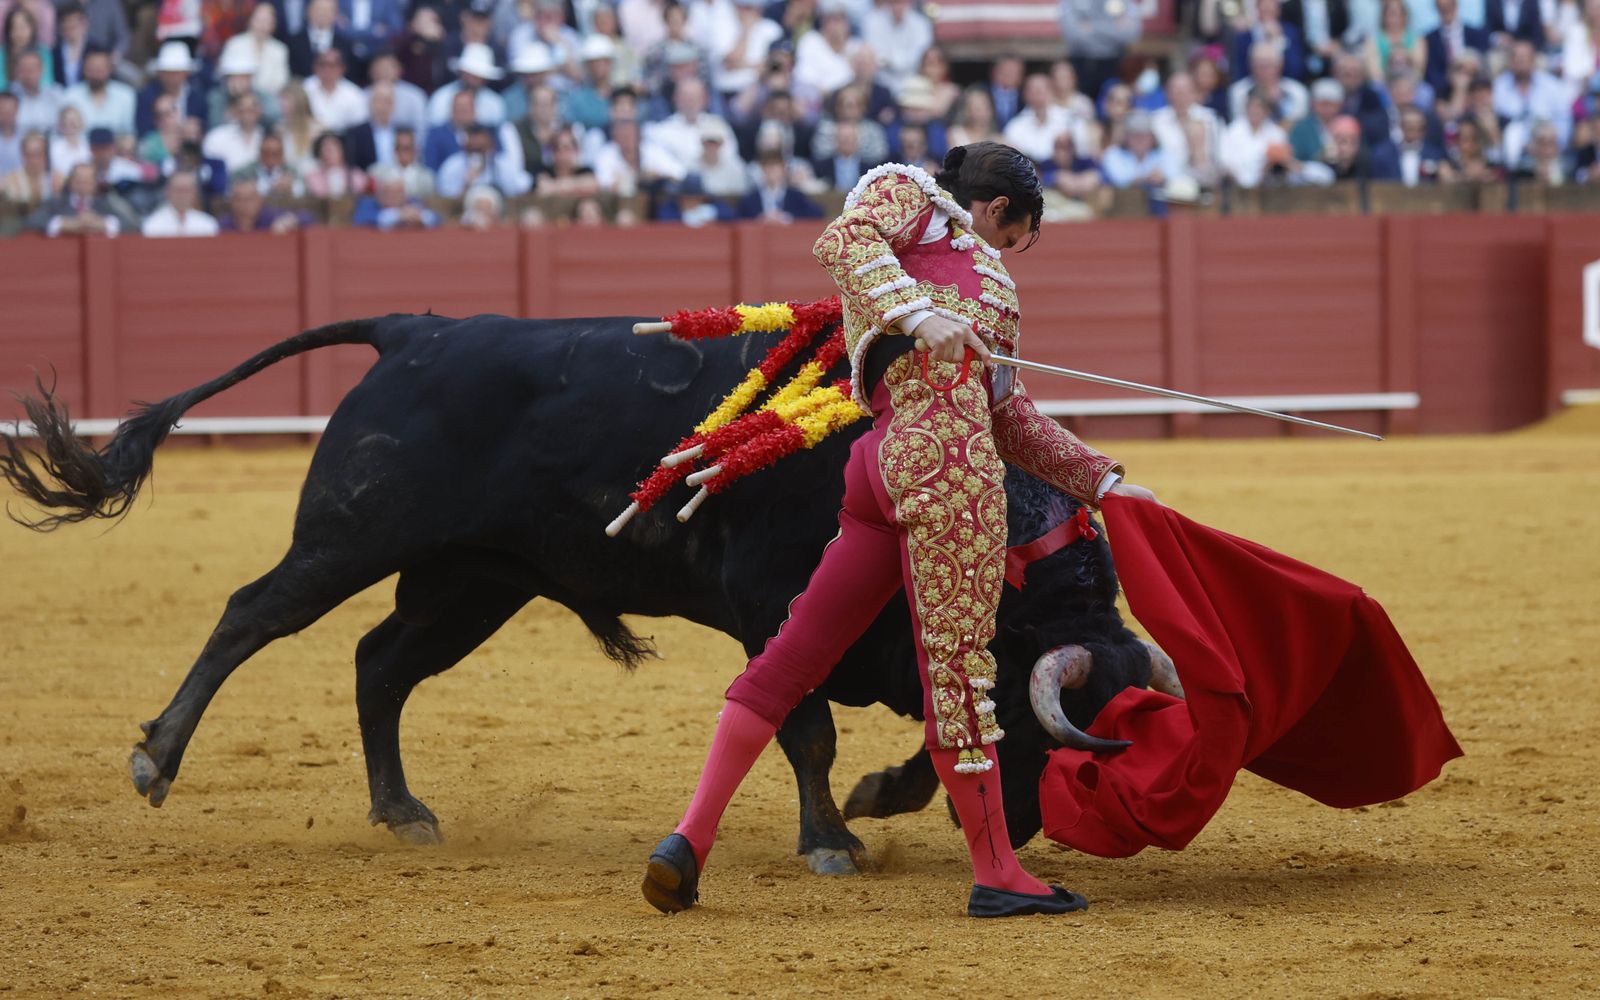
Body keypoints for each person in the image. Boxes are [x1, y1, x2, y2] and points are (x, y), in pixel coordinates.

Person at [642, 141, 1154, 919]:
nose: (1001, 252)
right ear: (995, 209)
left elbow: (1009, 416)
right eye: (1009, 236)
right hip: (944, 467)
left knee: (794, 657)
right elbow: (842, 240)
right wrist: (916, 313)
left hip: (890, 466)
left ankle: (688, 841)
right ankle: (997, 875)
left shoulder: (991, 292)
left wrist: (1102, 481)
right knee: (956, 675)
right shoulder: (910, 197)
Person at [140, 168, 219, 235]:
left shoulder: (208, 224)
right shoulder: (153, 224)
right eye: (178, 190)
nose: (182, 195)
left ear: (195, 192)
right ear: (167, 191)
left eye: (187, 190)